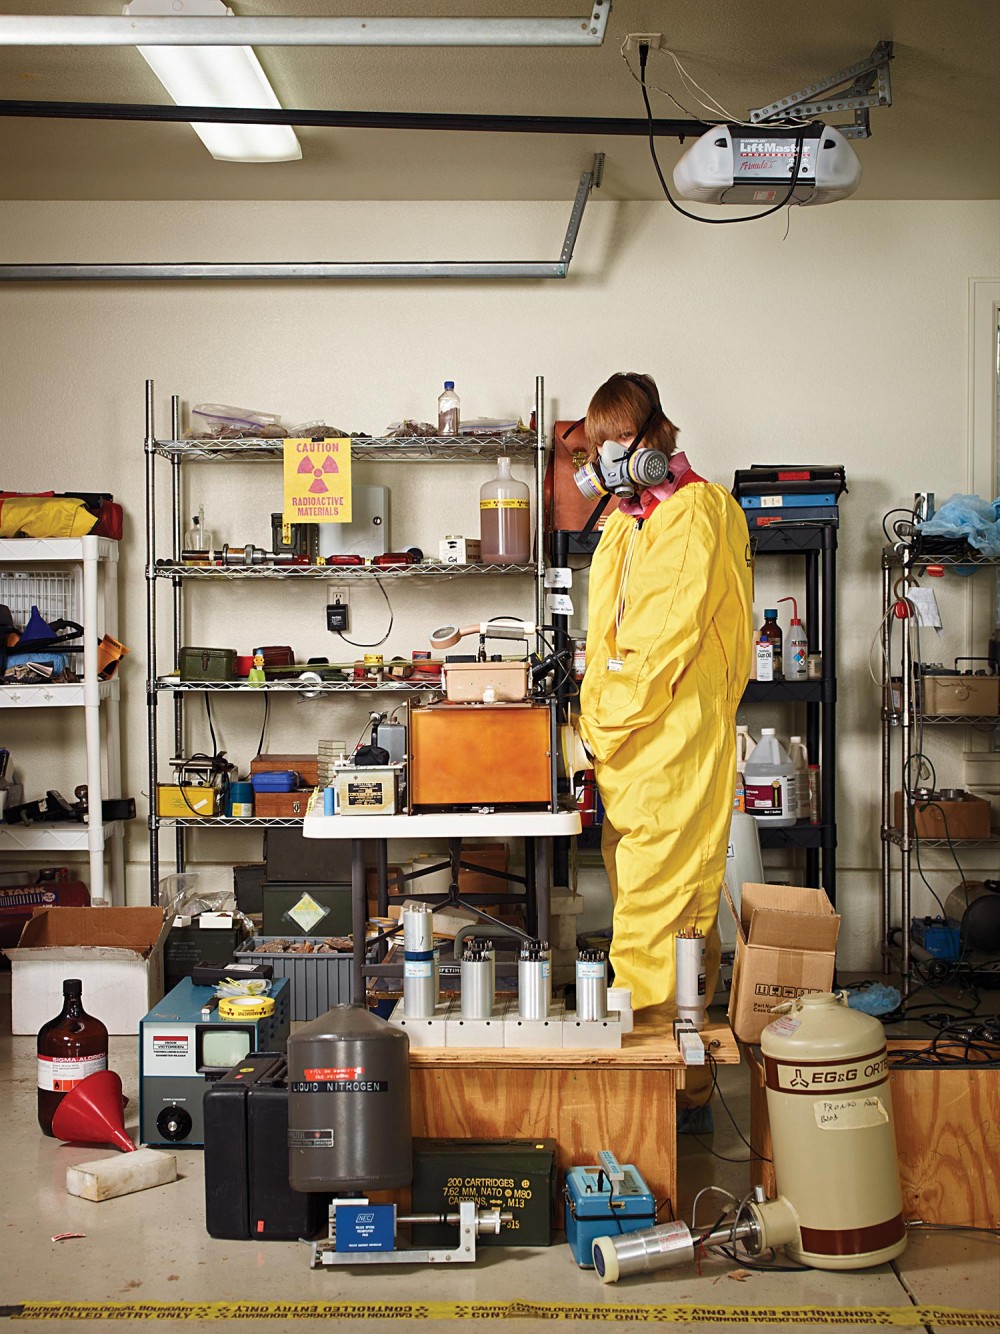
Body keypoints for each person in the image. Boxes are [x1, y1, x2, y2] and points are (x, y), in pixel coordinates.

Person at [576, 372, 752, 1098]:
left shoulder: (693, 514)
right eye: (598, 446)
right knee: (656, 905)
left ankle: (653, 1089)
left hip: (669, 742)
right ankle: (684, 1086)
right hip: (634, 749)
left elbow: (654, 651)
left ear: (654, 438)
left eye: (619, 441)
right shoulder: (629, 518)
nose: (608, 457)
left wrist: (594, 727)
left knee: (659, 912)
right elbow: (607, 637)